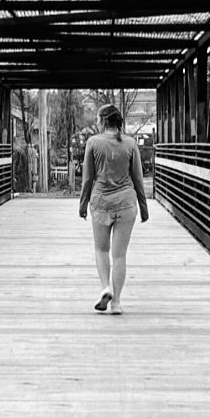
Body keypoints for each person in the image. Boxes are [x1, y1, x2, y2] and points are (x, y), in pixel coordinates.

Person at [77, 104, 149, 314]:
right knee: (119, 255)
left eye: (98, 119)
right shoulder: (130, 143)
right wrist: (144, 208)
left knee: (101, 250)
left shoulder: (93, 143)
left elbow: (88, 178)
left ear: (103, 121)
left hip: (100, 204)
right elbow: (138, 178)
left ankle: (105, 288)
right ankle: (116, 303)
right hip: (126, 205)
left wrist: (82, 205)